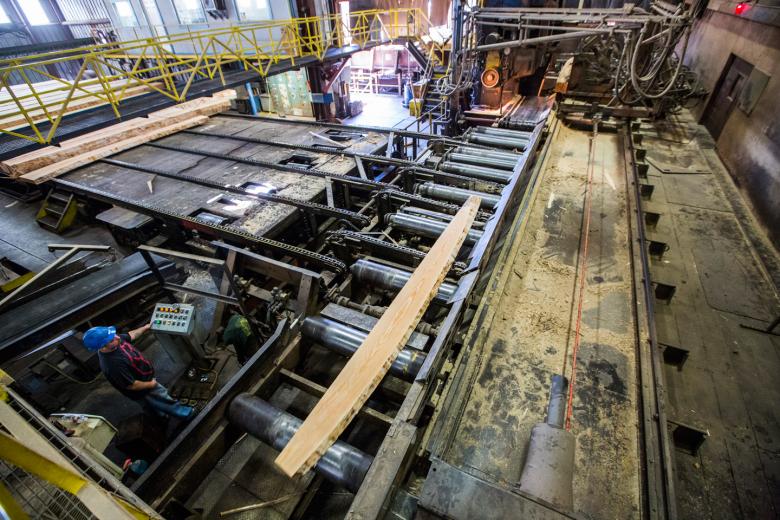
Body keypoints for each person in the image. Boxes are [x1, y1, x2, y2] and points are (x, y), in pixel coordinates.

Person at [82, 324, 194, 420]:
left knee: (153, 406)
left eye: (113, 335)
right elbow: (131, 385)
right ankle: (186, 414)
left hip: (145, 380)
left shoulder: (115, 342)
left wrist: (145, 327)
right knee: (163, 399)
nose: (117, 337)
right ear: (102, 347)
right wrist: (152, 384)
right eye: (111, 339)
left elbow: (131, 335)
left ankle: (161, 416)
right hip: (142, 389)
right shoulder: (112, 364)